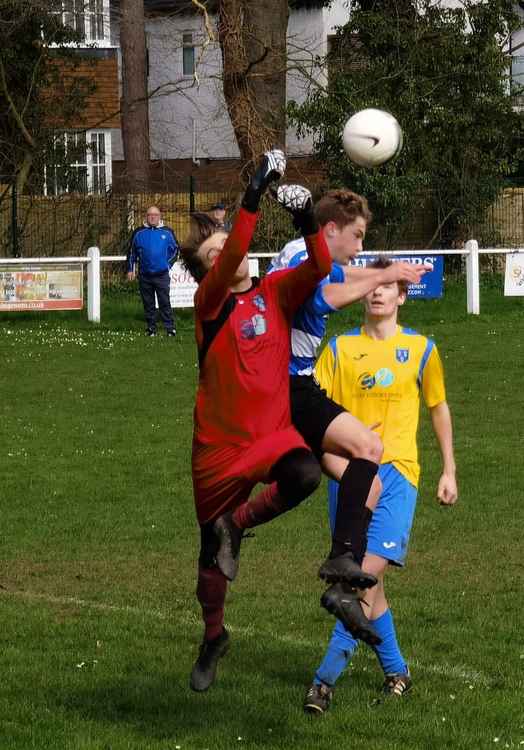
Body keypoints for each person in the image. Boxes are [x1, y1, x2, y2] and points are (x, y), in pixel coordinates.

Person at [180, 151, 370, 694]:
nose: (230, 255)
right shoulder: (209, 301)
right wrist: (252, 199)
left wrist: (307, 218)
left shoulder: (274, 293)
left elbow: (315, 268)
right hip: (218, 447)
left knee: (306, 474)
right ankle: (214, 636)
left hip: (271, 437)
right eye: (217, 252)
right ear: (209, 268)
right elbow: (237, 244)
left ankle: (236, 526)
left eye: (228, 248)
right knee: (208, 566)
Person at [269, 190, 429, 642]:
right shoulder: (305, 255)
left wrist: (382, 271)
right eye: (356, 236)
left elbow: (346, 273)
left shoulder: (306, 253)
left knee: (369, 480)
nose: (360, 247)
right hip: (288, 386)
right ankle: (341, 560)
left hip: (282, 386)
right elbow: (329, 297)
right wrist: (388, 272)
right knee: (370, 448)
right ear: (331, 230)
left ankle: (342, 585)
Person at [303, 256, 458, 715]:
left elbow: (438, 408)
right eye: (375, 284)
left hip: (399, 474)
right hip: (350, 479)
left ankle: (323, 683)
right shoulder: (339, 349)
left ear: (401, 296)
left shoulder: (422, 349)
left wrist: (448, 469)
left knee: (357, 583)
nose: (377, 292)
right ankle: (397, 673)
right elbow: (313, 413)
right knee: (371, 588)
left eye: (389, 286)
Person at [126, 205, 179, 337]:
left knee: (164, 302)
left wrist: (167, 265)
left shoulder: (167, 232)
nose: (152, 217)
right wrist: (130, 269)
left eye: (155, 215)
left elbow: (176, 250)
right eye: (150, 215)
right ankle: (151, 328)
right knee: (148, 303)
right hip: (145, 275)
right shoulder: (138, 233)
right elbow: (131, 252)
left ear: (159, 216)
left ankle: (170, 328)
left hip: (161, 275)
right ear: (146, 216)